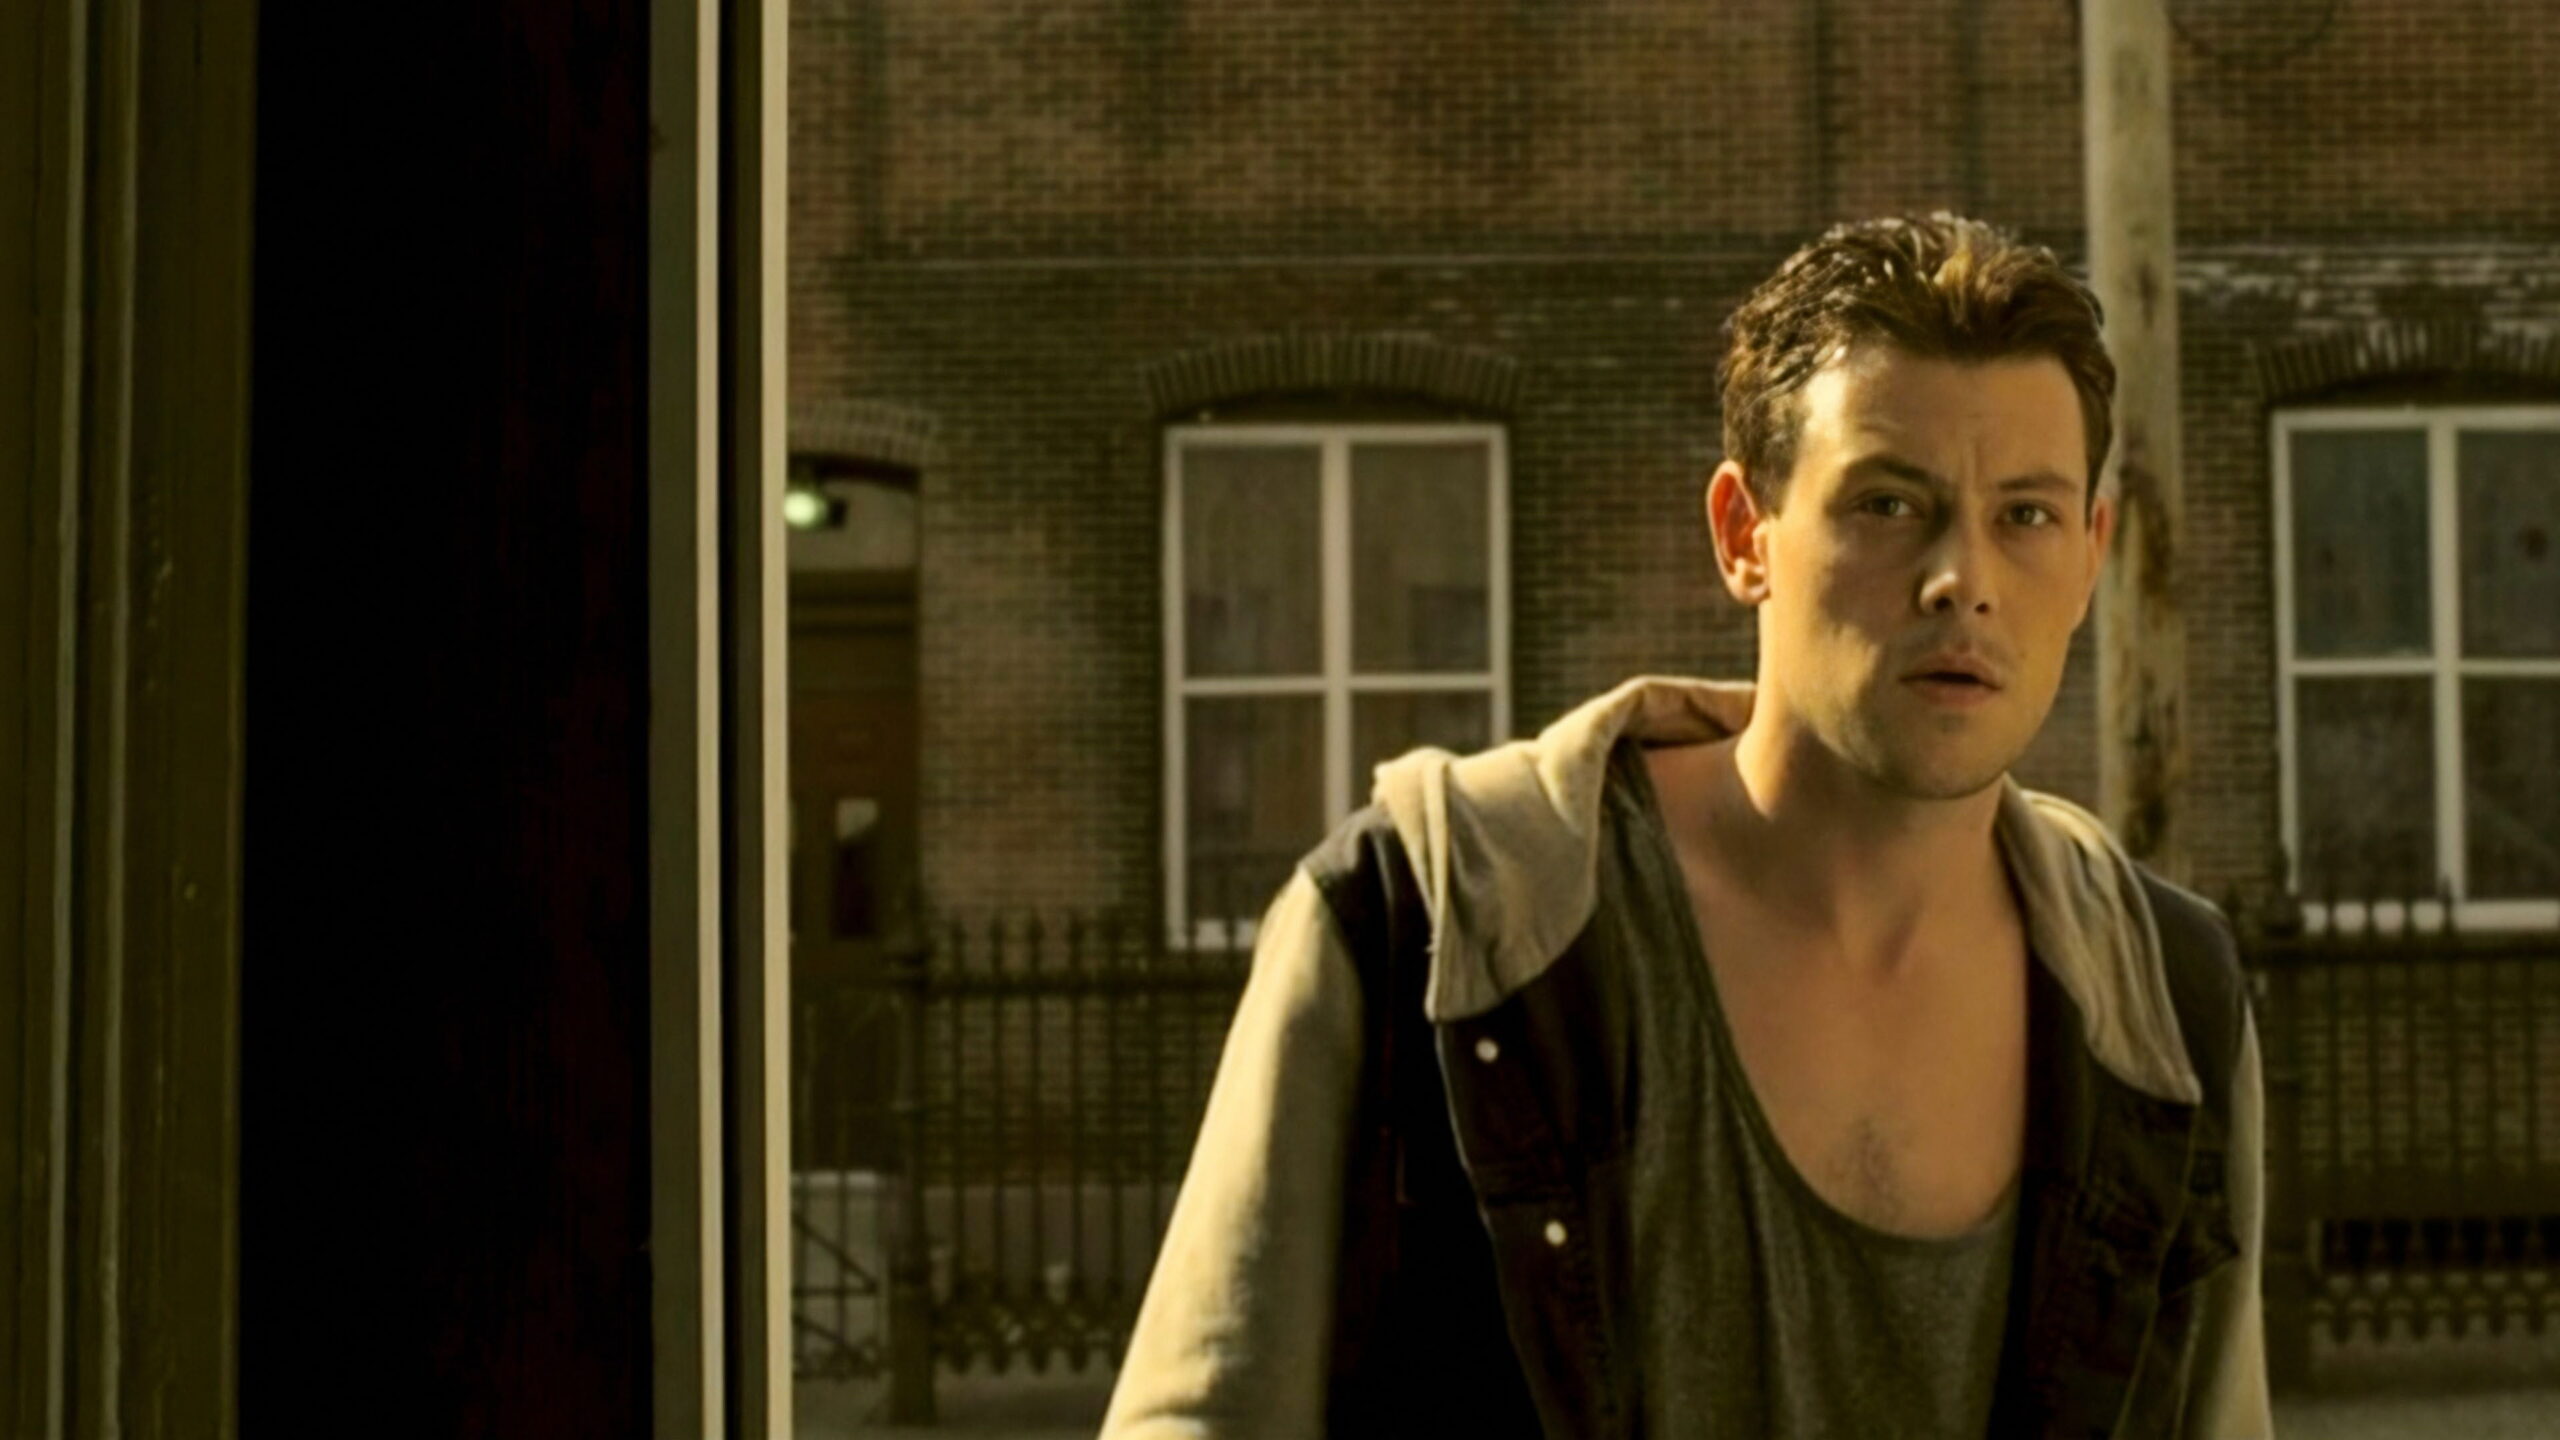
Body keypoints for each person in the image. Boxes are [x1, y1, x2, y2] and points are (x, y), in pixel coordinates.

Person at [1099, 213, 2270, 1439]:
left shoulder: (2168, 1005)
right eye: (1886, 502)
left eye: (2024, 517)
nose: (1960, 581)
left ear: (2089, 558)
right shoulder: (1427, 929)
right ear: (1742, 534)